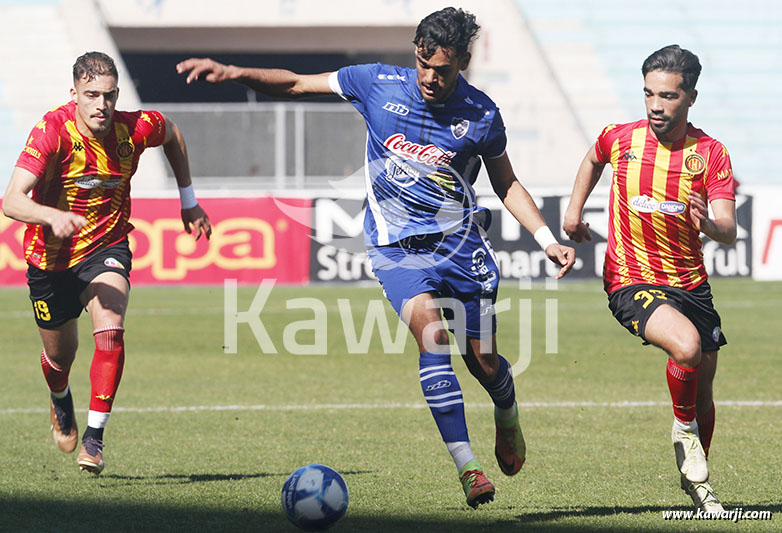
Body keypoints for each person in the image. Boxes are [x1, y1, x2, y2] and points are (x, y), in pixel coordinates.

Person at [177, 7, 574, 508]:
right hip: (395, 249)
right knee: (432, 339)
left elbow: (505, 181)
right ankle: (468, 468)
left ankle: (507, 410)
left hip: (460, 246)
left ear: (464, 63)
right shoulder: (375, 83)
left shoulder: (482, 114)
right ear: (415, 54)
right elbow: (298, 84)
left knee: (484, 360)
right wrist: (237, 74)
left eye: (443, 70)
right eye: (424, 65)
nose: (430, 78)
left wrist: (545, 238)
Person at [3, 51, 211, 474]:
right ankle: (60, 400)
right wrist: (52, 215)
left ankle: (95, 439)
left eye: (110, 95)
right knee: (61, 360)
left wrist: (188, 201)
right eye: (92, 95)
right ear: (75, 94)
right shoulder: (51, 133)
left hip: (106, 247)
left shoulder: (134, 128)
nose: (102, 104)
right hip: (51, 260)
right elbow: (11, 200)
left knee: (111, 324)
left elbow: (172, 132)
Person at [563, 45, 736, 513]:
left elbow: (728, 229)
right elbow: (592, 158)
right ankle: (682, 431)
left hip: (692, 285)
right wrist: (573, 213)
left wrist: (710, 225)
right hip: (631, 278)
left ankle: (698, 487)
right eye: (649, 94)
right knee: (686, 347)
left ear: (691, 97)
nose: (657, 105)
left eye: (668, 96)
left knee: (704, 388)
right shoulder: (621, 138)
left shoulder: (710, 154)